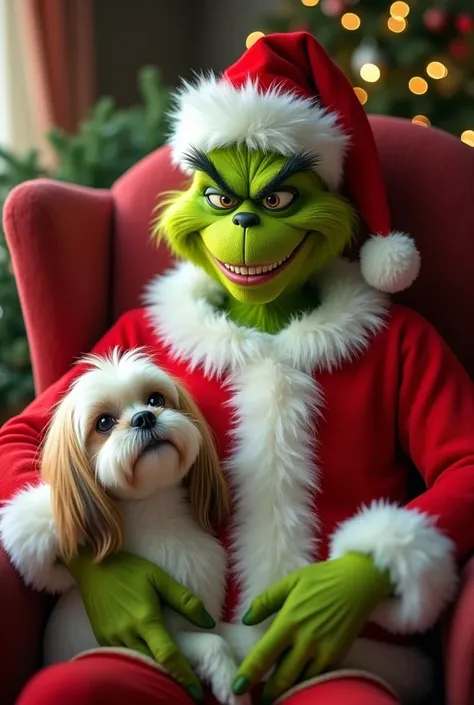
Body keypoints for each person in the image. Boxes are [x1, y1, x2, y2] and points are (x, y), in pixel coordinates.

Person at [2, 30, 474, 705]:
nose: (246, 228)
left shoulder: (396, 342)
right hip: (168, 647)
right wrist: (87, 559)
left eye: (277, 201)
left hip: (338, 658)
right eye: (222, 200)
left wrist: (372, 569)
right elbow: (21, 440)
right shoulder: (146, 336)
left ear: (334, 209)